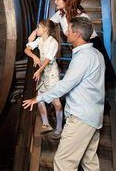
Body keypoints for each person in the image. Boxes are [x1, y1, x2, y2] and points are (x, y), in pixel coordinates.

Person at [23, 17, 105, 171]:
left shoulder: (83, 57)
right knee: (89, 163)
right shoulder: (96, 54)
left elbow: (65, 85)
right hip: (93, 116)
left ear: (77, 35)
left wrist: (38, 98)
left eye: (69, 29)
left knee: (63, 163)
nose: (66, 32)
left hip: (81, 118)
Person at [28, 0, 116, 83]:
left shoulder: (81, 16)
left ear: (66, 0)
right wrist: (35, 32)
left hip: (91, 45)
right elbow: (47, 24)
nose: (55, 1)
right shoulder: (60, 14)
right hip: (78, 46)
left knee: (96, 77)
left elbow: (84, 37)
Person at [25, 19, 63, 137]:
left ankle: (59, 127)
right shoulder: (40, 39)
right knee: (40, 98)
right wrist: (34, 57)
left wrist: (39, 71)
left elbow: (47, 59)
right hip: (42, 73)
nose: (37, 30)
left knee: (56, 102)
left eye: (39, 27)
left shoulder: (53, 42)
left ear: (45, 29)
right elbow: (27, 49)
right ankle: (46, 124)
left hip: (51, 74)